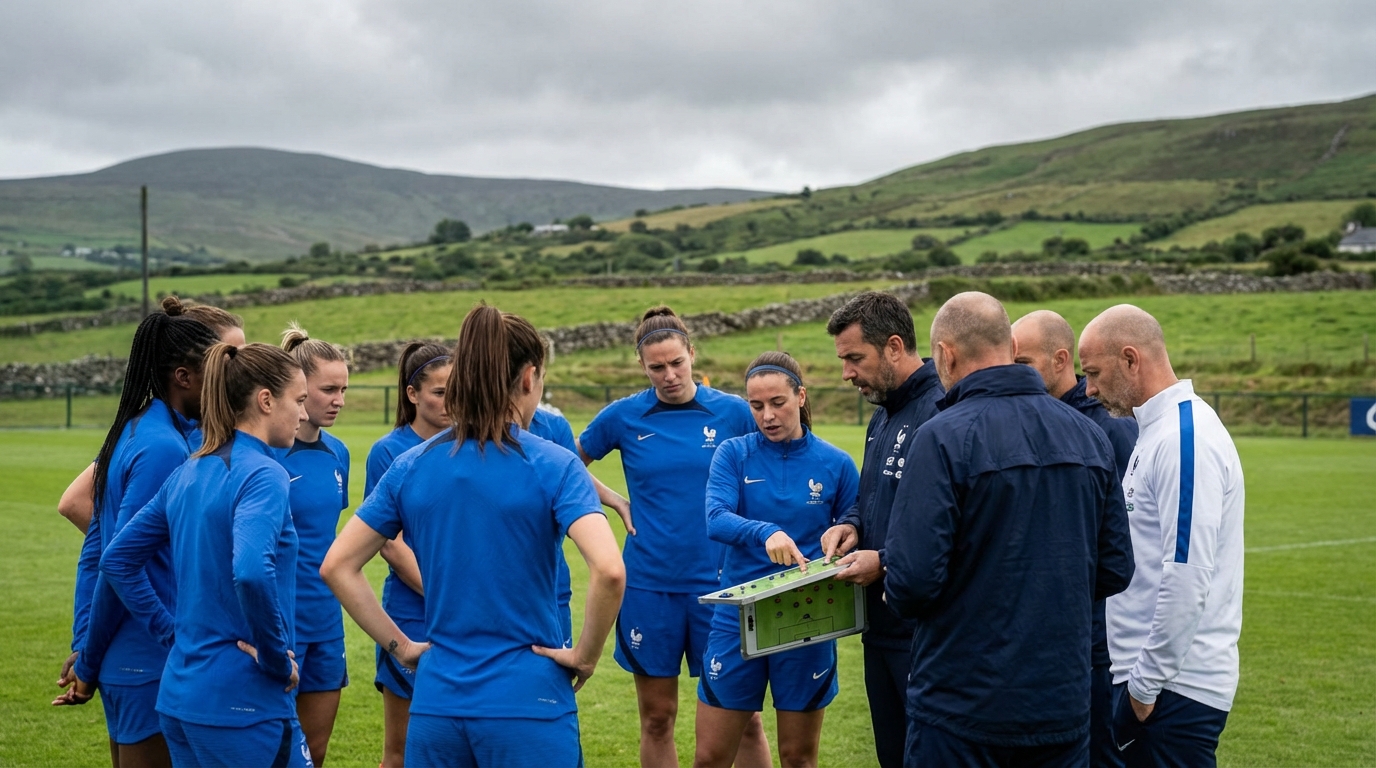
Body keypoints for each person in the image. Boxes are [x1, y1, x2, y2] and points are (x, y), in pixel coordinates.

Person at [321, 304, 626, 767]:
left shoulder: (411, 464)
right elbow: (608, 569)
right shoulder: (554, 464)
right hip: (529, 702)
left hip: (438, 704)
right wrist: (584, 656)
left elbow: (337, 565)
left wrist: (402, 648)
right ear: (529, 378)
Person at [884, 291, 1135, 766]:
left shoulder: (941, 436)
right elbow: (1115, 568)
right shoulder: (1087, 433)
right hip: (1061, 702)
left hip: (961, 709)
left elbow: (912, 582)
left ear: (945, 354)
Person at [96, 342, 312, 767]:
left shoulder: (188, 471)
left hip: (180, 697)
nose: (304, 414)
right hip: (244, 703)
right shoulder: (264, 474)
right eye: (300, 400)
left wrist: (170, 633)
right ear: (266, 400)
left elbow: (117, 559)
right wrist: (273, 657)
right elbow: (250, 571)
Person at [577, 306, 770, 768]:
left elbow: (780, 466)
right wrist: (614, 500)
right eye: (656, 367)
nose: (668, 375)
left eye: (676, 363)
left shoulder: (734, 413)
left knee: (744, 719)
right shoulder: (623, 416)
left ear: (691, 354)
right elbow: (562, 463)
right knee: (657, 718)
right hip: (649, 587)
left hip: (725, 589)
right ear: (642, 367)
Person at [53, 299, 221, 768]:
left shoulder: (136, 427)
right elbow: (116, 563)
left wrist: (86, 641)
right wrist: (91, 657)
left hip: (129, 655)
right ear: (183, 377)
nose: (223, 383)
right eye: (213, 371)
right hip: (147, 659)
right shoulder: (163, 448)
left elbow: (97, 547)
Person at [1079, 305, 1244, 768]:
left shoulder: (1184, 438)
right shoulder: (1154, 432)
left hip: (1173, 690)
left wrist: (1143, 689)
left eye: (1093, 372)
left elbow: (1187, 575)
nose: (1088, 388)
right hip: (1148, 683)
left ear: (1131, 359)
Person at [694, 352, 859, 768]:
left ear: (801, 396)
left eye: (777, 403)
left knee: (798, 758)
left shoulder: (837, 463)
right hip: (739, 618)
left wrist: (847, 537)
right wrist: (765, 531)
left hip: (808, 619)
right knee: (710, 757)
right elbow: (715, 519)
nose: (767, 415)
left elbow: (858, 526)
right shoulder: (733, 453)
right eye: (756, 405)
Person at [817, 290, 944, 768]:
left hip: (925, 635)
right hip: (880, 628)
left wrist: (885, 561)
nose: (846, 373)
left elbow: (951, 528)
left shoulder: (941, 410)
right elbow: (875, 502)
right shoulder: (882, 415)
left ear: (894, 347)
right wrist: (851, 525)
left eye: (855, 358)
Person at [1013, 309, 1139, 768]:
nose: (1014, 372)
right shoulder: (1031, 421)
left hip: (1098, 645)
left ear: (1060, 359)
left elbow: (1127, 543)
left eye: (1023, 361)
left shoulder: (1110, 428)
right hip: (1044, 642)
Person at [57, 300, 245, 533]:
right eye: (228, 362)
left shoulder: (166, 426)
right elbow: (75, 503)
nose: (241, 373)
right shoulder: (162, 443)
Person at [362, 341, 453, 768]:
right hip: (411, 614)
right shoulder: (388, 451)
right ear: (412, 394)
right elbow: (389, 544)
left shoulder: (467, 444)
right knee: (401, 751)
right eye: (438, 392)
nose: (449, 401)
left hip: (461, 615)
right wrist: (445, 592)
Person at [278, 324, 351, 766]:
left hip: (327, 621)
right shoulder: (266, 453)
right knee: (277, 751)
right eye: (328, 389)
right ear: (300, 387)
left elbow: (329, 537)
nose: (338, 400)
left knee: (315, 753)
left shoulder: (338, 452)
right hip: (279, 623)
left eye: (344, 389)